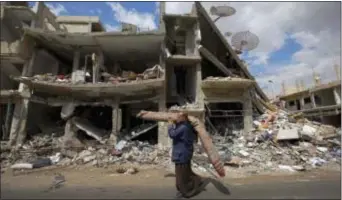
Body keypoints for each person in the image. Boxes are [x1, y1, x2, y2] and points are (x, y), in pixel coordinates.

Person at [168, 112, 208, 199]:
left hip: (182, 154)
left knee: (181, 176)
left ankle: (186, 192)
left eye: (179, 116)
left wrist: (170, 125)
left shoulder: (183, 127)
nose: (177, 117)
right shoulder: (185, 126)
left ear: (184, 118)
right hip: (183, 153)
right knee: (186, 173)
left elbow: (172, 134)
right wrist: (174, 123)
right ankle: (196, 181)